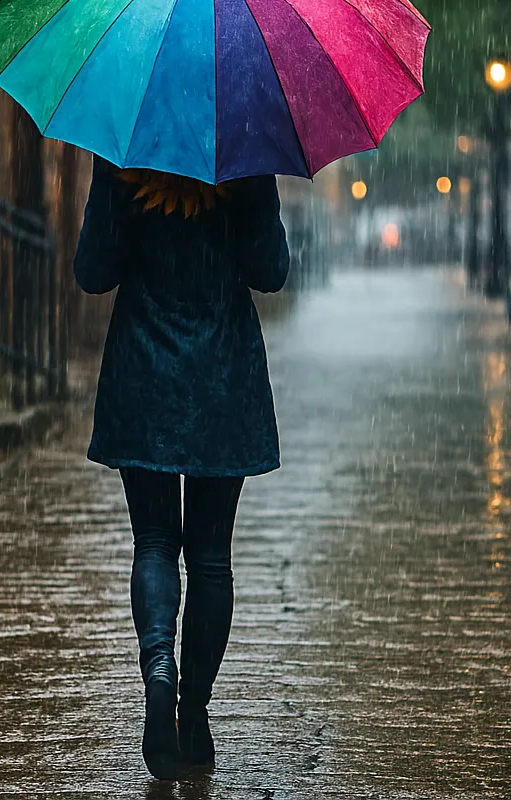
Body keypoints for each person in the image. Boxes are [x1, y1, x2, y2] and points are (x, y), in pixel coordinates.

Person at [74, 158, 291, 780]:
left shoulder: (123, 150)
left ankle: (159, 672)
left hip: (144, 373)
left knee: (155, 542)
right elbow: (271, 272)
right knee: (211, 555)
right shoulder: (248, 147)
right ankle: (193, 713)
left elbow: (93, 271)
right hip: (223, 374)